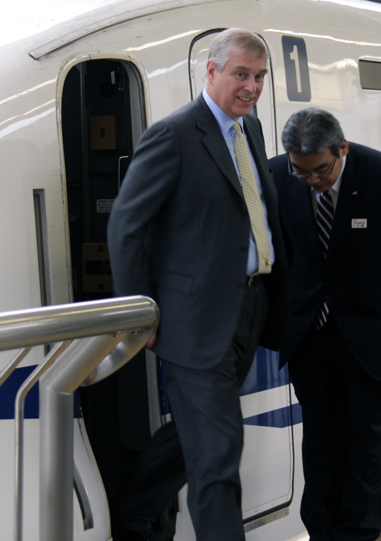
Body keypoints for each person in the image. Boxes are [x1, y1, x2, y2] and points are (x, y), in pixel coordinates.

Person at [107, 28, 292, 540]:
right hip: (193, 321)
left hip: (248, 308)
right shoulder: (175, 135)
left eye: (259, 77)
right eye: (241, 74)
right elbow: (127, 226)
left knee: (200, 433)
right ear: (209, 72)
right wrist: (140, 315)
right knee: (217, 453)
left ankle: (134, 509)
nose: (252, 87)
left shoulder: (247, 131)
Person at [268, 108, 381, 541]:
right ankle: (320, 530)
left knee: (366, 442)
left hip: (369, 332)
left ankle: (357, 532)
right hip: (309, 334)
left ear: (342, 149)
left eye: (319, 171)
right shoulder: (277, 175)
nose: (311, 181)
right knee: (319, 439)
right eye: (300, 172)